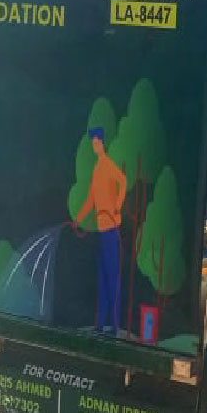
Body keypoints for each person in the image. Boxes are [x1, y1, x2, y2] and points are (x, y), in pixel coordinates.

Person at [74, 127, 128, 334]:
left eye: (96, 142)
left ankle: (114, 326)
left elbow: (123, 181)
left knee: (112, 278)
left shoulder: (106, 165)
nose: (94, 145)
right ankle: (100, 324)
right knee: (103, 279)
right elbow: (89, 201)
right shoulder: (97, 170)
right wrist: (77, 220)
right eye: (93, 143)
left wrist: (117, 206)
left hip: (111, 230)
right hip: (101, 231)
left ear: (102, 143)